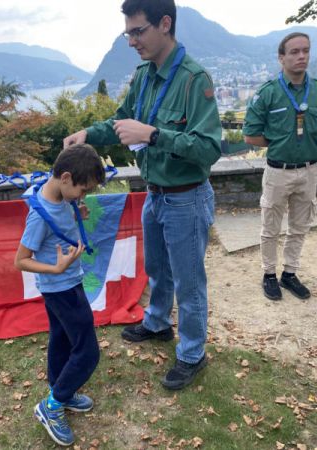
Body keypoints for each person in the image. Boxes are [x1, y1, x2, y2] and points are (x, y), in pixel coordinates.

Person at [64, 0, 221, 391]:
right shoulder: (145, 75)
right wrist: (87, 134)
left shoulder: (192, 79)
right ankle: (156, 324)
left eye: (138, 31)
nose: (132, 41)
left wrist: (152, 135)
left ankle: (192, 353)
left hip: (186, 196)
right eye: (128, 33)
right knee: (157, 269)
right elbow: (119, 121)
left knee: (189, 281)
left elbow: (208, 149)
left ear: (164, 23)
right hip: (156, 194)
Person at [243, 32, 317, 301]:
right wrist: (278, 142)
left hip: (310, 170)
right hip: (278, 171)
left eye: (306, 51)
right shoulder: (268, 93)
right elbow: (250, 135)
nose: (302, 56)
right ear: (282, 57)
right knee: (270, 227)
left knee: (300, 226)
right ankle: (268, 275)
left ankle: (289, 273)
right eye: (294, 52)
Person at [14, 145, 105, 447]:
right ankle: (51, 406)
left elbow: (64, 215)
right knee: (89, 351)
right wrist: (55, 268)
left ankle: (60, 391)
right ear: (65, 177)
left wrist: (76, 211)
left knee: (62, 339)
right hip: (62, 288)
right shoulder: (40, 216)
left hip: (67, 284)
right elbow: (21, 260)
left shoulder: (60, 195)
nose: (83, 196)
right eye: (82, 190)